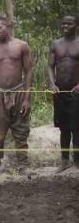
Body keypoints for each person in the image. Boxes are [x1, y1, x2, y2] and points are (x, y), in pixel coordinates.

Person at [0, 17, 32, 175]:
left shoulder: (21, 46)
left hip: (18, 92)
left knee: (21, 130)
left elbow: (28, 72)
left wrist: (26, 98)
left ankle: (23, 165)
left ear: (8, 26)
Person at [47, 14, 79, 173]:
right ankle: (64, 161)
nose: (65, 26)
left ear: (76, 25)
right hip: (60, 92)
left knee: (77, 128)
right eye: (63, 24)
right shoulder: (56, 44)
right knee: (64, 128)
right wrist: (52, 84)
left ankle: (77, 162)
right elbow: (50, 66)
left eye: (69, 24)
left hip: (76, 93)